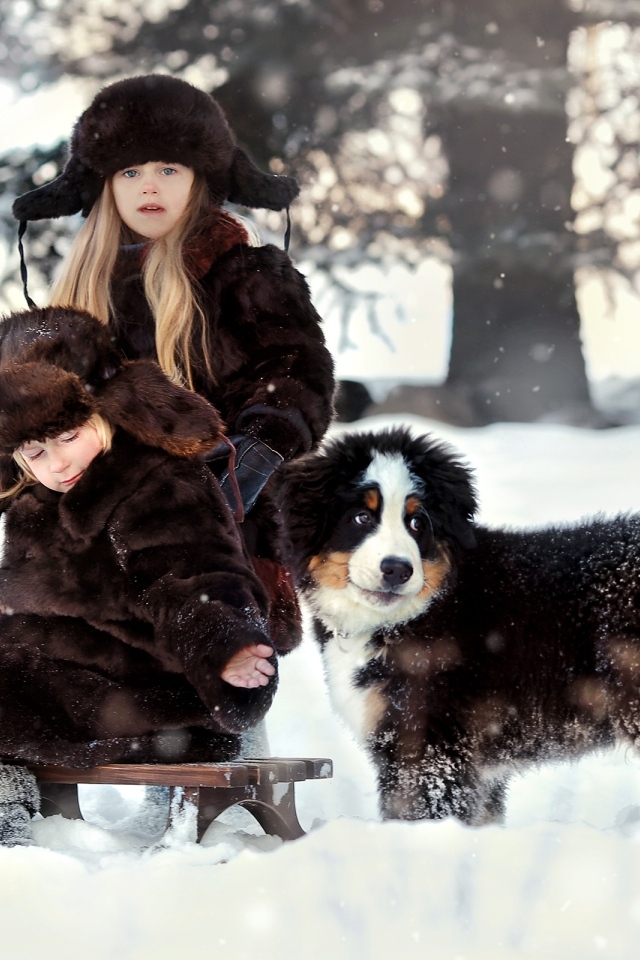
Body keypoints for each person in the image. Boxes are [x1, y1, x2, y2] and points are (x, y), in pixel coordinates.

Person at [12, 73, 336, 656]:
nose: (148, 186)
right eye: (129, 172)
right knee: (82, 708)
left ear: (200, 177)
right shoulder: (81, 290)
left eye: (169, 169)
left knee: (221, 686)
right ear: (105, 185)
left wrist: (245, 459)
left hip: (220, 534)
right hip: (93, 542)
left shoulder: (245, 273)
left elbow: (298, 376)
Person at [0, 305, 280, 846]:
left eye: (70, 436)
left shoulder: (151, 483)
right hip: (67, 676)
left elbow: (191, 575)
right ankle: (12, 798)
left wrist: (226, 644)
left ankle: (7, 813)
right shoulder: (35, 499)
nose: (58, 463)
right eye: (35, 451)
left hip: (151, 689)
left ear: (106, 413)